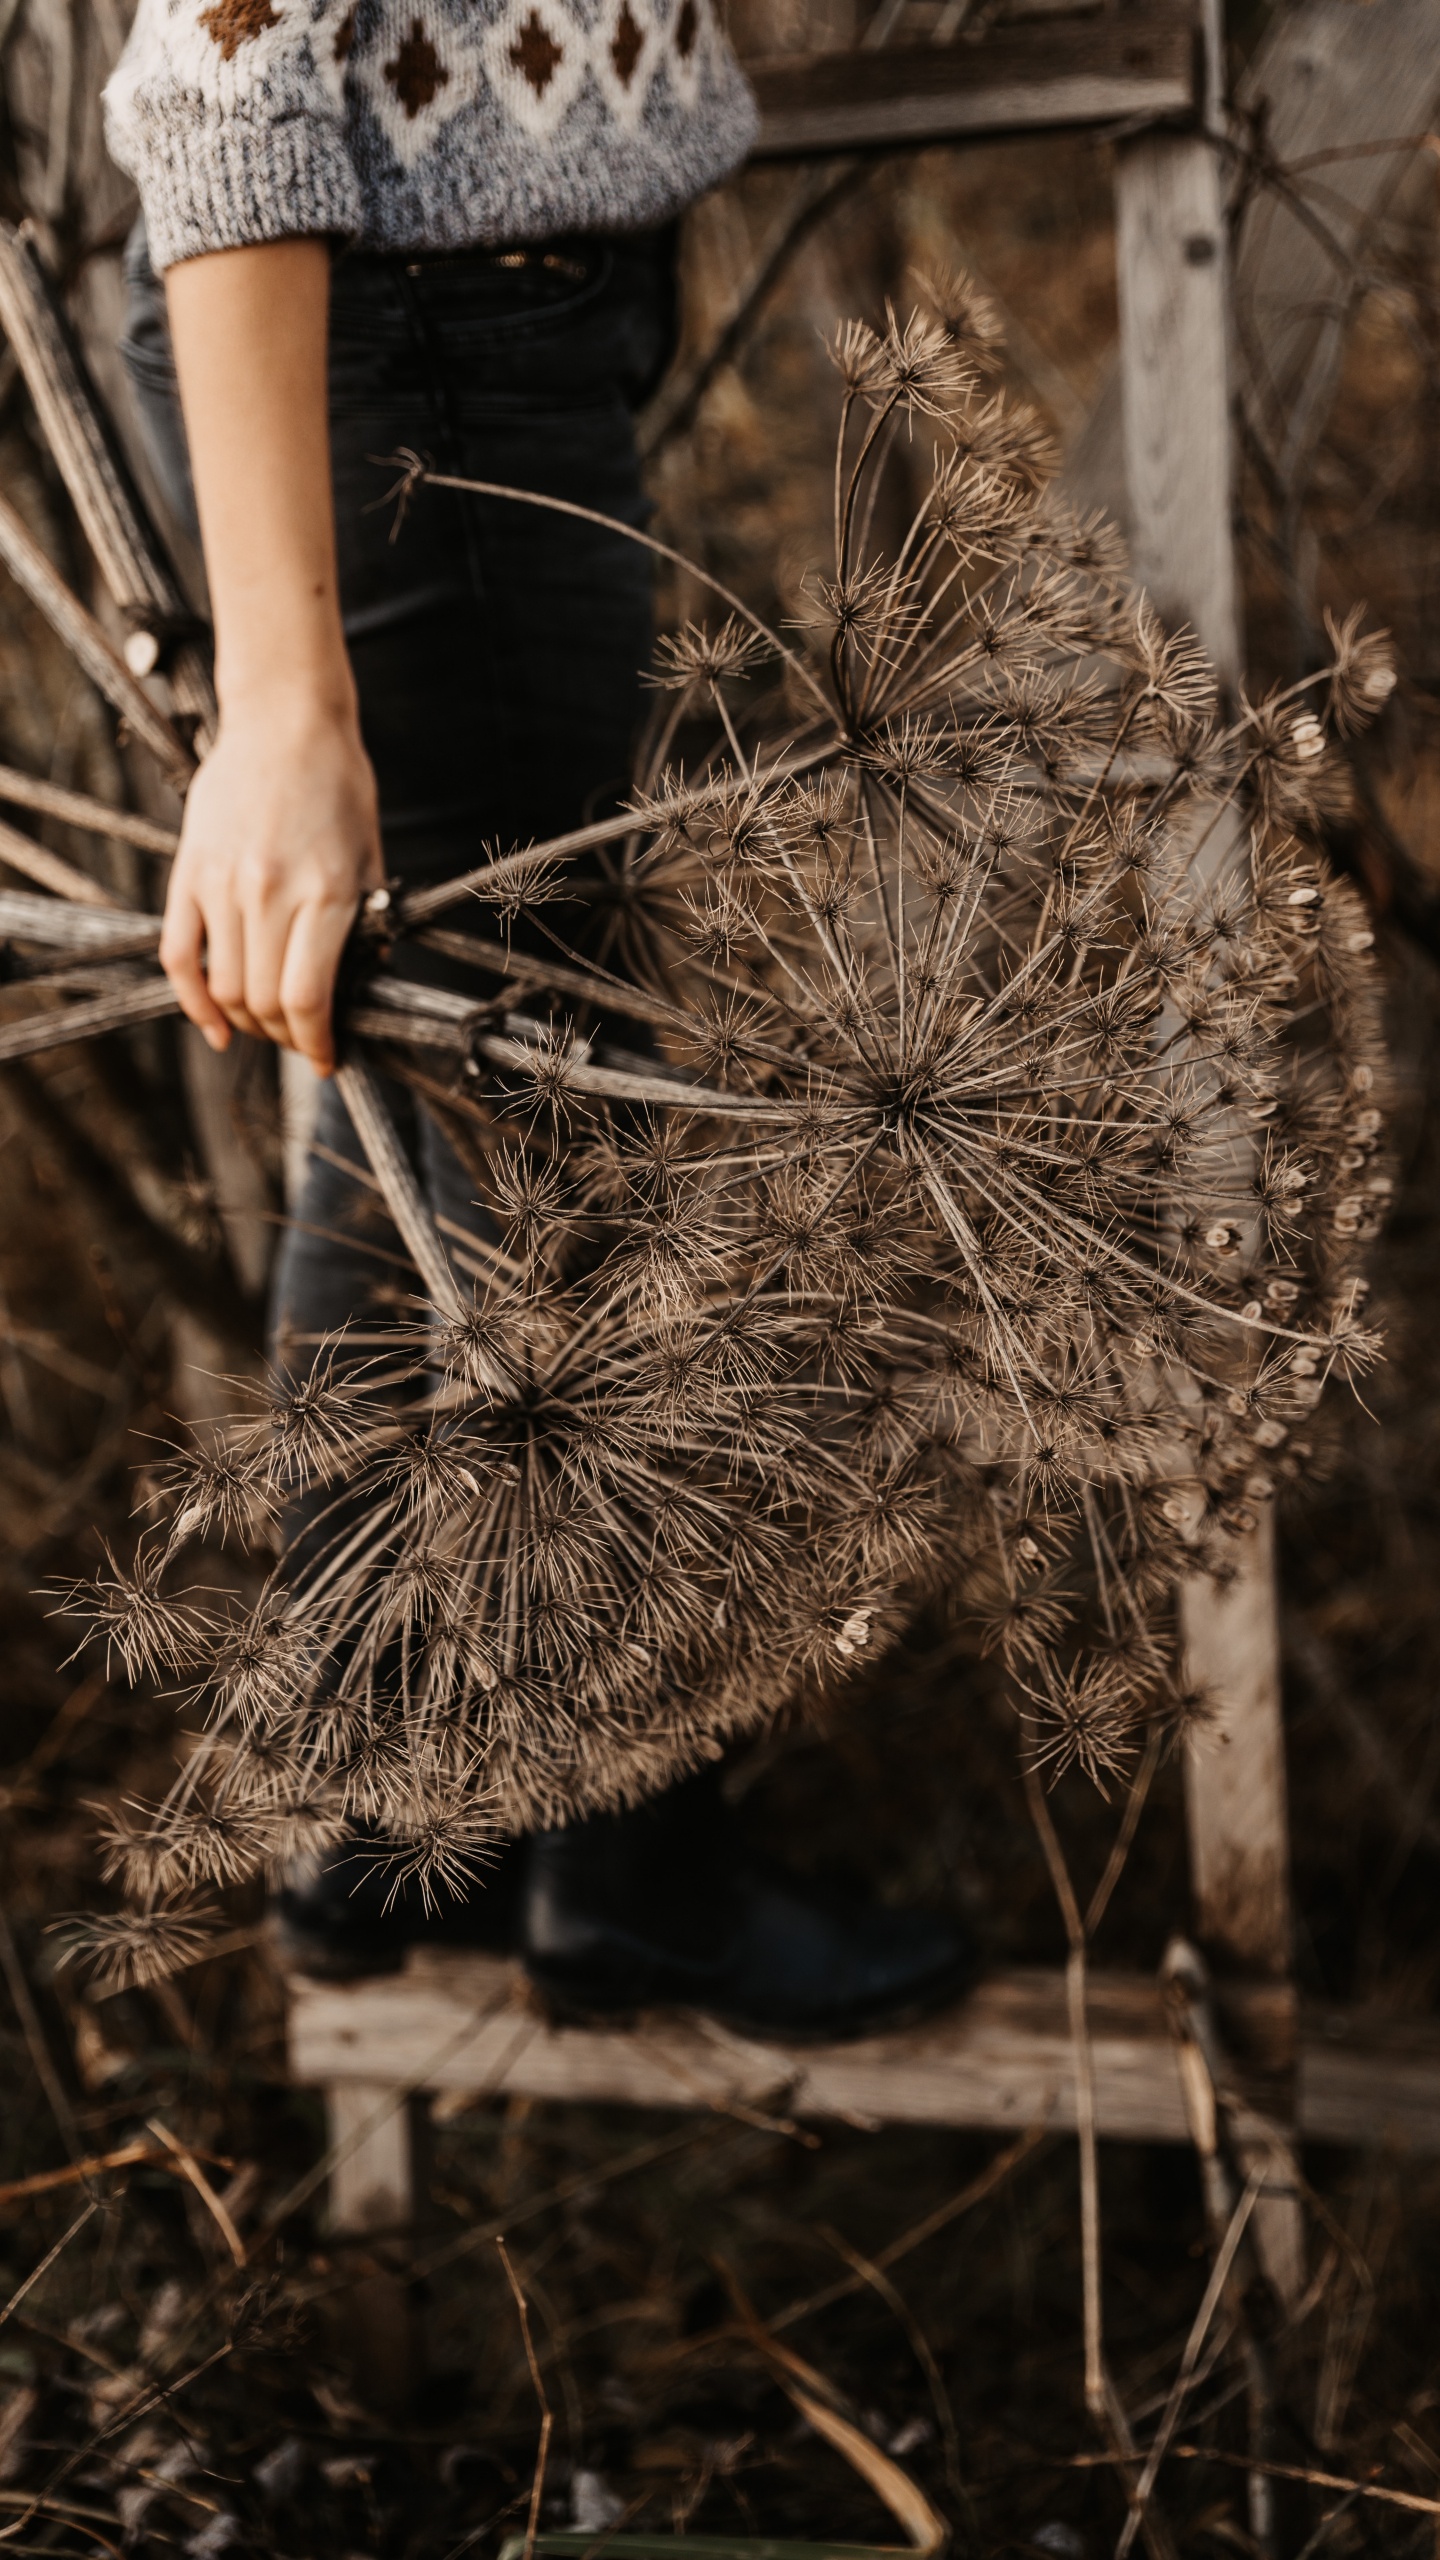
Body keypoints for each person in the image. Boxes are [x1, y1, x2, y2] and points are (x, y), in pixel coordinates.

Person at [103, 0, 974, 2036]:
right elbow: (229, 66)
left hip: (453, 328)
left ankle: (399, 1790)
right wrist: (291, 719)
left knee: (440, 1076)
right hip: (412, 354)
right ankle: (630, 1865)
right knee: (573, 1107)